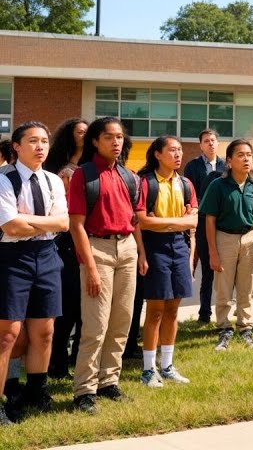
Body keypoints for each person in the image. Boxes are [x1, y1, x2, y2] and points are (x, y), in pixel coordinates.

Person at [67, 116, 142, 414]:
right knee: (95, 325)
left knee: (122, 321)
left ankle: (109, 381)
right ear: (95, 141)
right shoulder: (82, 176)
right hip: (96, 249)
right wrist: (92, 267)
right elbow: (76, 225)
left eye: (120, 137)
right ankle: (84, 390)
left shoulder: (129, 176)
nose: (116, 142)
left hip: (127, 249)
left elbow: (135, 220)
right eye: (109, 137)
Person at [0, 122, 69, 424]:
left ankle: (36, 392)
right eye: (32, 141)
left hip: (46, 257)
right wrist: (45, 221)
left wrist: (27, 219)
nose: (40, 146)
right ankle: (3, 402)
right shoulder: (3, 180)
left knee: (45, 331)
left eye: (44, 141)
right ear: (16, 147)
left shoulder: (54, 180)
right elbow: (11, 227)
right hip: (11, 259)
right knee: (8, 335)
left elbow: (64, 223)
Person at [134, 136, 198, 388]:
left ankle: (167, 365)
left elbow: (193, 222)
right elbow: (142, 221)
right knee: (156, 310)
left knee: (173, 310)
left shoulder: (185, 184)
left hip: (180, 247)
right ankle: (148, 369)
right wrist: (177, 222)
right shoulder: (146, 183)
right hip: (155, 249)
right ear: (158, 154)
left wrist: (166, 223)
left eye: (180, 150)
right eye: (172, 150)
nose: (178, 154)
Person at [200, 139, 253, 351]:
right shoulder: (217, 185)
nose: (246, 158)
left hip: (248, 239)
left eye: (248, 154)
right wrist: (213, 252)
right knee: (224, 287)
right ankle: (223, 328)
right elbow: (209, 219)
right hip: (224, 239)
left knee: (248, 287)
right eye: (240, 155)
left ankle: (245, 327)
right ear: (229, 160)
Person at [43, 117, 87, 379]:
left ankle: (79, 361)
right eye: (79, 132)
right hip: (65, 244)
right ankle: (56, 364)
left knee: (87, 311)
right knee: (67, 308)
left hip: (93, 242)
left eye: (87, 132)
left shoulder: (95, 168)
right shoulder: (57, 170)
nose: (84, 135)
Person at [183, 129, 224, 324]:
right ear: (200, 145)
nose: (210, 144)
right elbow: (190, 194)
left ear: (218, 143)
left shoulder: (226, 165)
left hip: (223, 224)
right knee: (207, 268)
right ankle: (204, 313)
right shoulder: (193, 167)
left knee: (225, 269)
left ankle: (225, 310)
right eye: (206, 141)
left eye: (213, 140)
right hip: (201, 222)